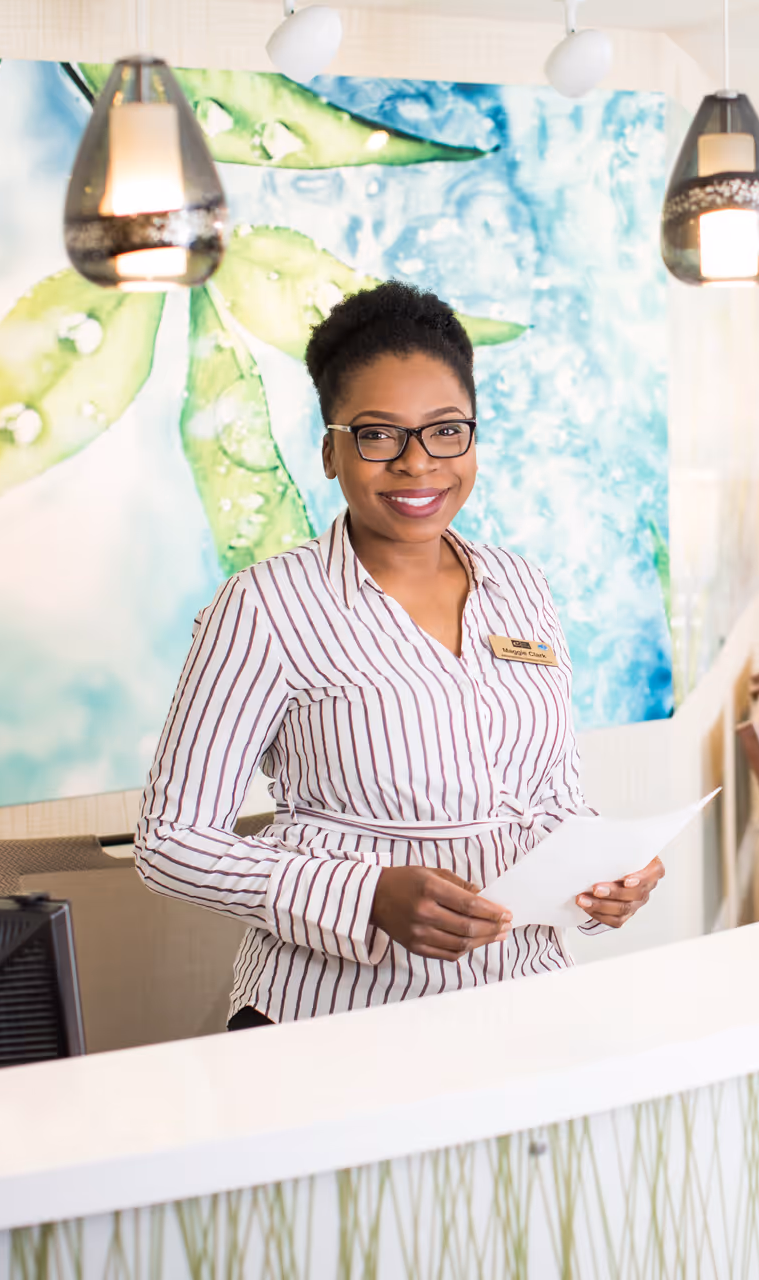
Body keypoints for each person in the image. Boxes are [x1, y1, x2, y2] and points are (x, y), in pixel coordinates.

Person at [134, 281, 663, 1025]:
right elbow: (170, 844)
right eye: (380, 435)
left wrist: (606, 877)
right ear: (329, 452)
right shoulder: (265, 608)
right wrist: (366, 897)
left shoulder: (522, 586)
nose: (419, 464)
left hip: (524, 1003)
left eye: (447, 431)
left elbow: (551, 801)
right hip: (332, 1017)